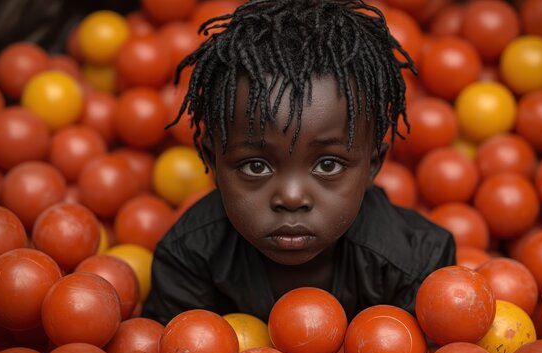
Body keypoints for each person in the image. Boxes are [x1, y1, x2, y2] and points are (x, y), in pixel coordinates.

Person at [142, 0, 455, 325]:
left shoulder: (417, 264)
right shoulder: (188, 258)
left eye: (328, 165)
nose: (291, 197)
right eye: (256, 166)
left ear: (372, 166)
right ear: (213, 162)